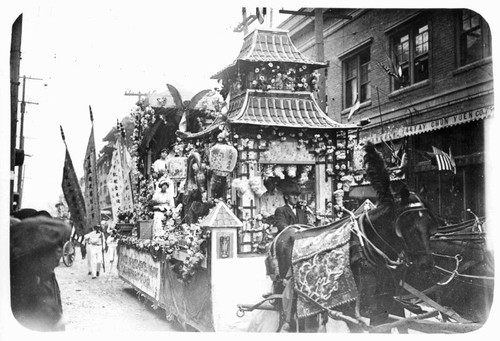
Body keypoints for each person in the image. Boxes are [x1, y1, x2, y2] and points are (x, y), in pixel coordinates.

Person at [10, 215, 71, 331]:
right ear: (35, 255)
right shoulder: (23, 290)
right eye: (52, 248)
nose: (59, 252)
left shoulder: (40, 280)